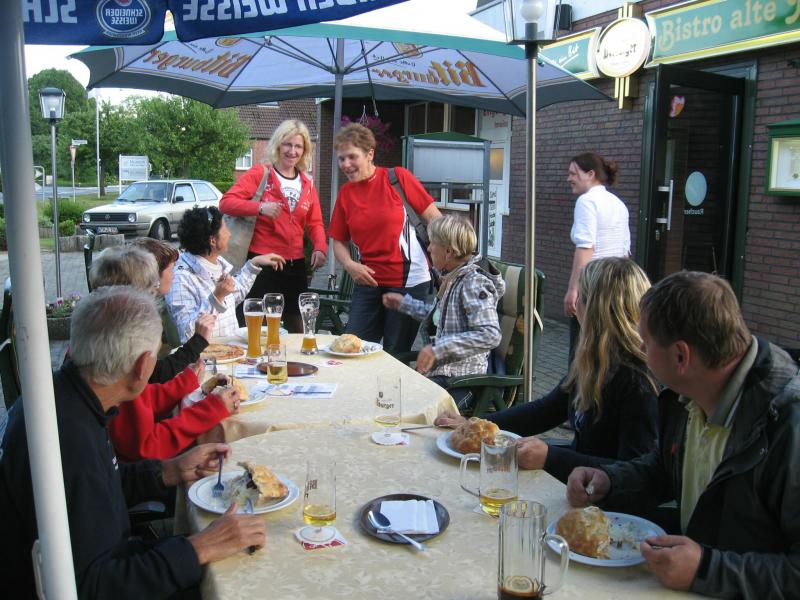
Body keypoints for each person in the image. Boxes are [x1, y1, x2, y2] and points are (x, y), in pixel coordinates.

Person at [0, 286, 266, 598]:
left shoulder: (69, 398)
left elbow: (98, 490)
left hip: (116, 558)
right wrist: (199, 548)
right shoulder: (69, 437)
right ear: (142, 367)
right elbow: (93, 586)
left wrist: (168, 471)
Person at [565, 271, 800, 598]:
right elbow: (665, 469)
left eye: (646, 343)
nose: (640, 349)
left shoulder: (788, 427)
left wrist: (706, 570)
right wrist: (611, 481)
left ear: (680, 356)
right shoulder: (686, 396)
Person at [437, 257, 659, 483]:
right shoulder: (595, 361)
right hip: (576, 488)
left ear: (597, 309)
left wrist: (550, 458)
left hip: (598, 500)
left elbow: (635, 475)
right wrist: (477, 424)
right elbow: (546, 410)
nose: (575, 305)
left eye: (581, 296)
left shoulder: (637, 383)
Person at [329, 122, 442, 356]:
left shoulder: (397, 178)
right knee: (352, 349)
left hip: (409, 282)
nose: (346, 164)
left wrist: (448, 259)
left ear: (370, 154)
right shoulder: (346, 194)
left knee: (395, 354)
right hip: (368, 281)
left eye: (352, 157)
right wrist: (349, 265)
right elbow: (338, 240)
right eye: (341, 159)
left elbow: (436, 220)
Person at [382, 215, 504, 411]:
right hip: (443, 375)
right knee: (389, 397)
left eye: (432, 243)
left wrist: (438, 348)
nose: (429, 248)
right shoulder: (453, 278)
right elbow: (442, 316)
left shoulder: (473, 283)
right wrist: (405, 304)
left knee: (401, 407)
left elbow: (490, 335)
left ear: (449, 251)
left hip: (464, 382)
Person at [220, 119, 327, 332]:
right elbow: (226, 203)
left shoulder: (307, 183)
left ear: (305, 150)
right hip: (263, 263)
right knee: (258, 329)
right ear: (278, 144)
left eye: (298, 146)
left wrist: (320, 247)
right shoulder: (261, 173)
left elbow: (315, 222)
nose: (292, 151)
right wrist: (259, 207)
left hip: (295, 264)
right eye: (288, 144)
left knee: (300, 329)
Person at [89, 245, 215, 384]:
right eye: (152, 285)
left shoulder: (98, 319)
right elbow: (150, 377)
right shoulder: (124, 329)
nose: (154, 290)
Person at [166, 206, 286, 343]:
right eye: (225, 229)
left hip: (232, 351)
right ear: (212, 240)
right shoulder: (180, 278)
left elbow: (231, 296)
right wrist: (217, 298)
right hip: (206, 355)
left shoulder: (215, 265)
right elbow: (187, 333)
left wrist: (253, 264)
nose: (229, 234)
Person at [564, 152, 630, 364]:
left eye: (573, 173)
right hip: (615, 288)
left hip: (591, 288)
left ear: (590, 174)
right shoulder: (618, 204)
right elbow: (625, 253)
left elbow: (586, 247)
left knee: (581, 355)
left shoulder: (587, 201)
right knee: (607, 351)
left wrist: (573, 290)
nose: (569, 178)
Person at [130, 237, 183, 352]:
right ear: (155, 275)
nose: (174, 276)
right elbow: (177, 343)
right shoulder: (147, 313)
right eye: (172, 270)